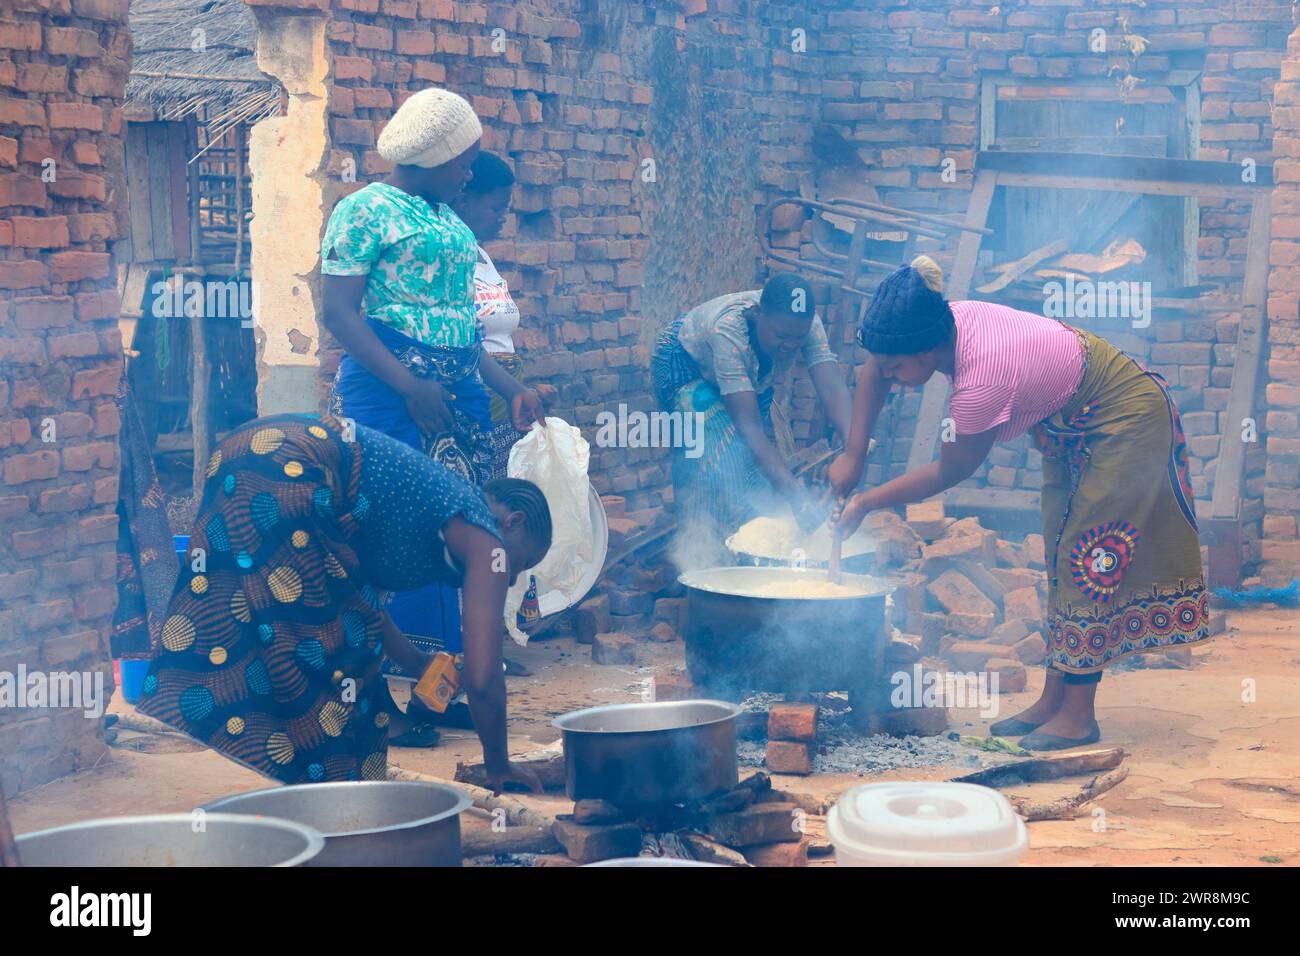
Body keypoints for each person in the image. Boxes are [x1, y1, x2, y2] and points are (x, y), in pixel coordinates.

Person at [829, 256, 1211, 750]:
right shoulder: (937, 324)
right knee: (1060, 557)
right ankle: (1052, 701)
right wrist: (854, 455)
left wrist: (866, 503)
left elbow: (952, 470)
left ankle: (1078, 716)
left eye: (897, 368)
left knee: (1089, 559)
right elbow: (872, 372)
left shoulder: (979, 380)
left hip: (1126, 421)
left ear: (926, 354)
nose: (890, 377)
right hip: (1073, 429)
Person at [137, 414, 552, 792]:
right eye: (524, 562)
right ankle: (335, 810)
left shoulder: (444, 509)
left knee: (288, 629)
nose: (512, 577)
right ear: (513, 522)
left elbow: (359, 597)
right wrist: (499, 764)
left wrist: (416, 664)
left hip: (243, 450)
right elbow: (484, 681)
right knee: (339, 659)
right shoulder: (484, 537)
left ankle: (313, 797)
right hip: (290, 466)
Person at [319, 88, 545, 735]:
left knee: (452, 541)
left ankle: (445, 685)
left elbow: (461, 332)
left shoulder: (449, 221)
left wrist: (503, 388)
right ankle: (370, 699)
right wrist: (407, 385)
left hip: (451, 404)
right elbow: (338, 314)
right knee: (372, 544)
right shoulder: (363, 211)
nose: (471, 172)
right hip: (388, 397)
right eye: (464, 160)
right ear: (437, 154)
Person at [651, 273, 853, 543]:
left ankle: (747, 540)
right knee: (716, 450)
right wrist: (798, 498)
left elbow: (832, 389)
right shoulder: (728, 331)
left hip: (741, 365)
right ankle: (700, 548)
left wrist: (855, 448)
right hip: (683, 361)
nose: (791, 346)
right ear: (758, 314)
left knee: (753, 468)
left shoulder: (806, 324)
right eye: (782, 336)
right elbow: (751, 431)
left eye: (798, 338)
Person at [449, 150, 558, 479]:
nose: (502, 218)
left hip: (505, 392)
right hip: (477, 392)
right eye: (495, 208)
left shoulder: (480, 254)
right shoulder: (449, 255)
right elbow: (460, 339)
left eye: (506, 210)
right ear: (465, 201)